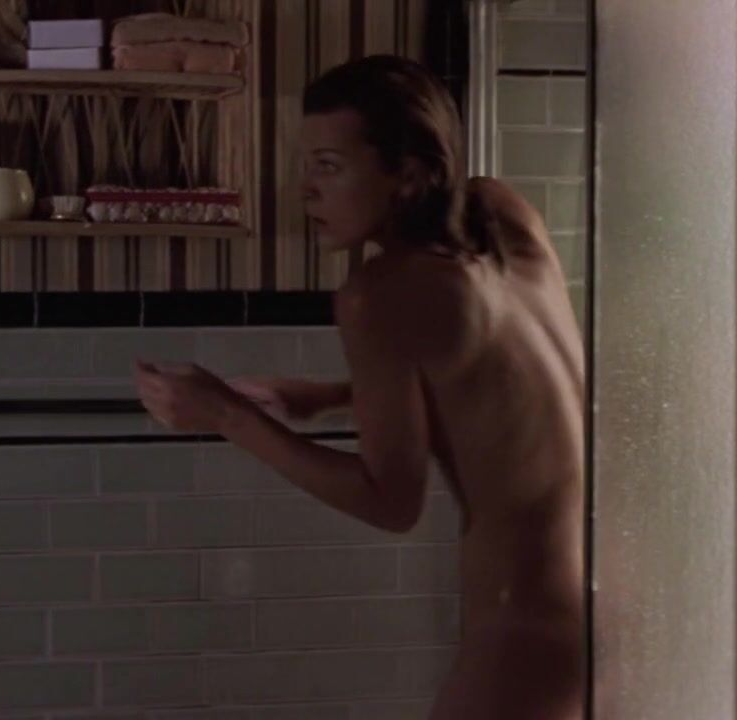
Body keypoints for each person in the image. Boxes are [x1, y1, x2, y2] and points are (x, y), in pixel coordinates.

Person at [133, 55, 584, 719]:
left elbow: (390, 501)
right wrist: (332, 395)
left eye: (329, 166)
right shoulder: (502, 216)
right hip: (597, 599)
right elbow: (495, 376)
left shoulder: (377, 293)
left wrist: (226, 415)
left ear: (408, 174)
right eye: (305, 164)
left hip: (517, 633)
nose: (306, 190)